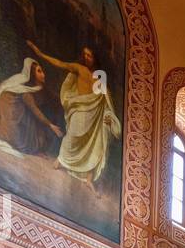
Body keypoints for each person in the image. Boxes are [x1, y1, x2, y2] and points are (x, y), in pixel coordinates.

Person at [26, 40, 122, 185]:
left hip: (94, 112)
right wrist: (40, 54)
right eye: (84, 55)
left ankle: (89, 179)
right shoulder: (78, 68)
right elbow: (59, 63)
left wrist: (108, 114)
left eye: (89, 55)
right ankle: (61, 159)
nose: (87, 57)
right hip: (80, 106)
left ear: (95, 57)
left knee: (94, 142)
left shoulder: (99, 75)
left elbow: (104, 99)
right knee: (73, 134)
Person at [0, 57, 62, 155]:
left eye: (42, 71)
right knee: (18, 140)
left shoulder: (38, 88)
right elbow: (34, 110)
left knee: (35, 137)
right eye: (39, 71)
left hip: (21, 112)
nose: (43, 74)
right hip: (9, 109)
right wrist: (50, 125)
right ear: (32, 74)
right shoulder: (26, 91)